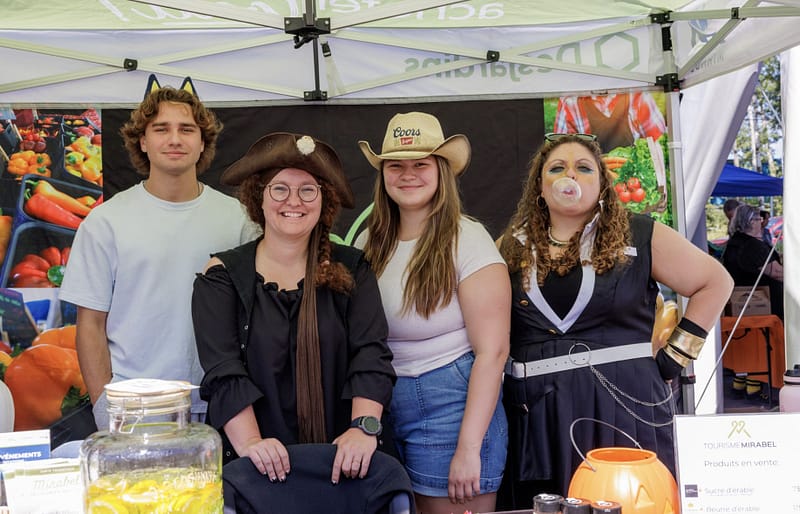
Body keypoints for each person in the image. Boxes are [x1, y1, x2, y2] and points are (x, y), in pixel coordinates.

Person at [497, 133, 733, 504]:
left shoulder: (639, 233)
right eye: (557, 168)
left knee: (631, 502)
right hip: (540, 416)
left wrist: (674, 359)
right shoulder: (510, 246)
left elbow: (715, 282)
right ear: (539, 188)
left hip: (626, 404)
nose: (569, 176)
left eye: (583, 168)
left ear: (602, 184)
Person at [191, 132, 398, 492]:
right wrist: (252, 445)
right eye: (280, 189)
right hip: (255, 465)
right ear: (259, 197)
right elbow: (224, 371)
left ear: (324, 200)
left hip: (345, 460)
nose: (294, 201)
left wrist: (362, 430)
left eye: (308, 190)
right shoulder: (222, 277)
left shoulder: (353, 270)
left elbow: (371, 356)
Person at [59, 86, 260, 430]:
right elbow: (89, 325)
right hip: (134, 406)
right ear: (142, 141)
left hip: (221, 404)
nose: (175, 139)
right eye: (161, 128)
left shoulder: (238, 219)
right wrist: (104, 406)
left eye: (186, 129)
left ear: (202, 143)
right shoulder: (106, 222)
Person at [355, 112, 510, 514]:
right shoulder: (368, 240)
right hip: (382, 405)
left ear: (441, 171)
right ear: (383, 173)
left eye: (420, 164)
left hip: (453, 405)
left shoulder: (467, 238)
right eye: (396, 165)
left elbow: (493, 352)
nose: (408, 174)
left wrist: (468, 448)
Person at [723, 204, 783, 320]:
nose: (761, 222)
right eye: (759, 219)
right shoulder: (752, 245)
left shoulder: (735, 242)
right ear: (751, 222)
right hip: (763, 306)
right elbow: (777, 273)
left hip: (743, 301)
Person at [553, 92, 666, 153]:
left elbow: (660, 143)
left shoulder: (637, 95)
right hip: (593, 182)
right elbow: (562, 152)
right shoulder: (569, 101)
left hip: (633, 184)